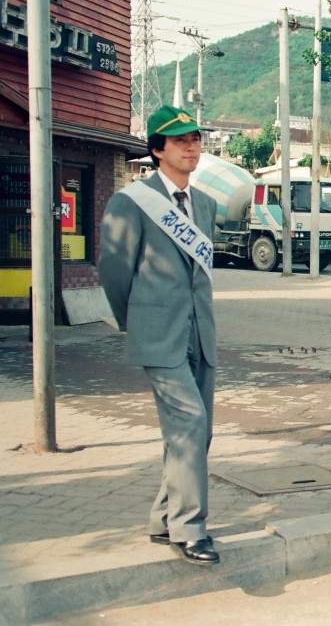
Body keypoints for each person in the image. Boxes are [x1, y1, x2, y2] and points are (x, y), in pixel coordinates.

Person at [99, 105, 220, 566]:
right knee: (189, 421)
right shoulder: (132, 201)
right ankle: (190, 529)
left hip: (200, 332)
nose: (192, 146)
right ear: (157, 149)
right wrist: (139, 321)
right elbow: (113, 272)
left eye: (196, 138)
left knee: (195, 431)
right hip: (158, 333)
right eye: (180, 140)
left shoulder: (204, 204)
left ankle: (163, 515)